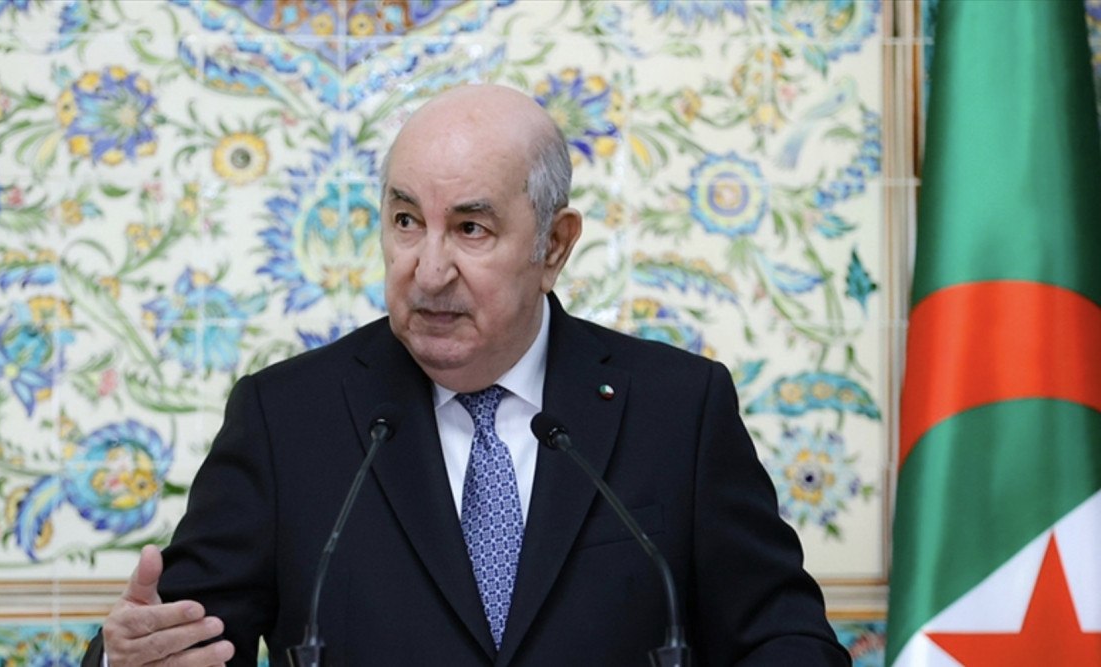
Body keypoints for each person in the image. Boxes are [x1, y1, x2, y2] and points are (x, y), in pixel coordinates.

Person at [85, 84, 849, 666]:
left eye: (470, 228)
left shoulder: (678, 410)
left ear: (554, 246)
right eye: (406, 221)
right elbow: (176, 639)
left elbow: (786, 640)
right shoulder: (287, 419)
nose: (428, 270)